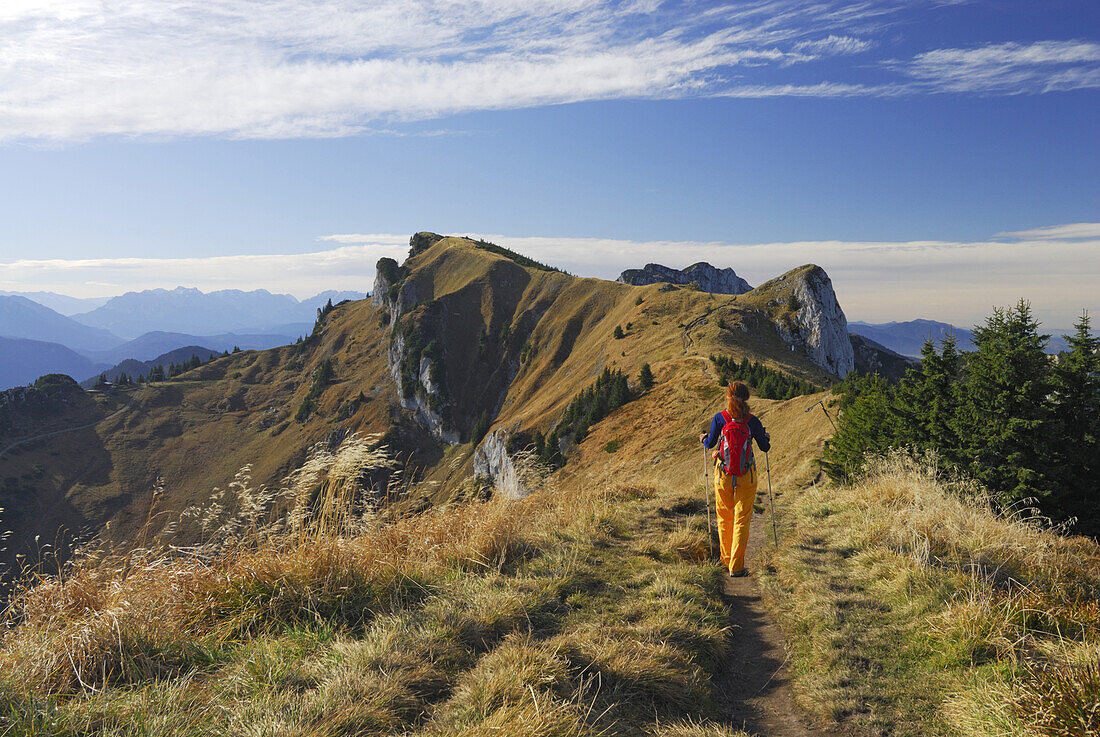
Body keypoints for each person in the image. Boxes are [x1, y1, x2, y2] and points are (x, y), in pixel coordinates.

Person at [699, 381, 770, 577]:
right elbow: (765, 447)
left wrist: (703, 438)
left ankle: (726, 560)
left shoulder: (720, 418)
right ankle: (736, 567)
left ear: (728, 397)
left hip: (723, 474)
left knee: (724, 518)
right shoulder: (752, 421)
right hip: (746, 475)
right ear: (747, 398)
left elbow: (711, 443)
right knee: (742, 519)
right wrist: (765, 437)